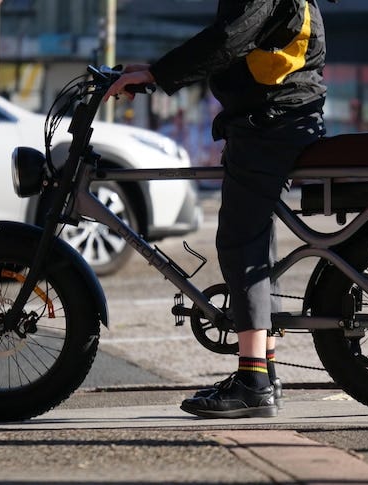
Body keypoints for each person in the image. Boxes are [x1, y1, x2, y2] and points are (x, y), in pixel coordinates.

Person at [103, 0, 330, 419]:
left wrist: (157, 73)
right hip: (278, 116)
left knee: (241, 242)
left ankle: (253, 382)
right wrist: (154, 71)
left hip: (272, 121)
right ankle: (264, 372)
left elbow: (228, 40)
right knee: (256, 245)